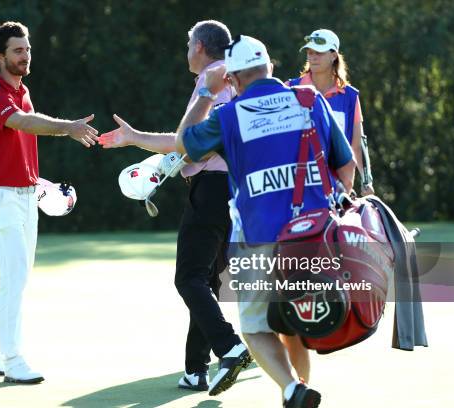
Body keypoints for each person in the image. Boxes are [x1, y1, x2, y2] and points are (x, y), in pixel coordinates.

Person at [176, 35, 356, 407]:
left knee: (256, 329)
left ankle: (292, 389)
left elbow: (184, 143)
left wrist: (208, 95)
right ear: (270, 67)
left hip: (257, 240)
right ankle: (296, 389)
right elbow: (347, 165)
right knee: (295, 325)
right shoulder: (310, 100)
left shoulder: (229, 115)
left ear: (234, 80)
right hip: (313, 236)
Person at [98, 20, 251, 396]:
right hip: (232, 190)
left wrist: (136, 140)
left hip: (213, 189)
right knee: (207, 281)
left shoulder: (212, 79)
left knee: (189, 279)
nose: (186, 49)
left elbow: (188, 143)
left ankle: (229, 348)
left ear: (199, 46)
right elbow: (195, 141)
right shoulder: (231, 76)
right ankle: (195, 370)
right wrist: (138, 139)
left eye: (188, 43)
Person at [0, 21, 98, 384]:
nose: (25, 56)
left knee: (16, 280)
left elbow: (19, 143)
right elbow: (25, 123)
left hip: (25, 198)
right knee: (14, 279)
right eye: (17, 51)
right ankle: (12, 360)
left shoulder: (23, 91)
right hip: (0, 201)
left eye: (27, 50)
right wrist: (68, 127)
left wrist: (39, 183)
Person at [288, 29, 374, 196]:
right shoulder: (290, 89)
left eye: (319, 53)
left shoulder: (349, 96)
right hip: (299, 184)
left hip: (339, 188)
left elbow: (357, 144)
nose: (312, 57)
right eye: (310, 52)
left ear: (334, 55)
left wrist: (366, 180)